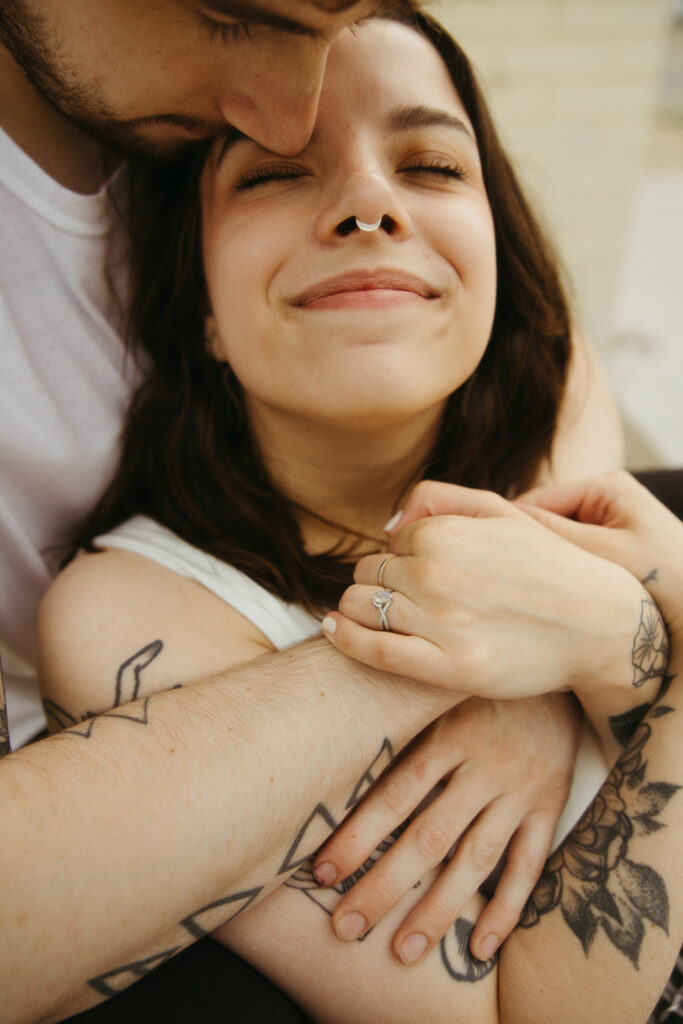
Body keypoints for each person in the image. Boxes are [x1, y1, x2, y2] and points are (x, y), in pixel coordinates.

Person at [34, 12, 676, 1021]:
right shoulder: (137, 617)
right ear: (200, 303)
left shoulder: (609, 500)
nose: (368, 203)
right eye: (276, 172)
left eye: (428, 164)